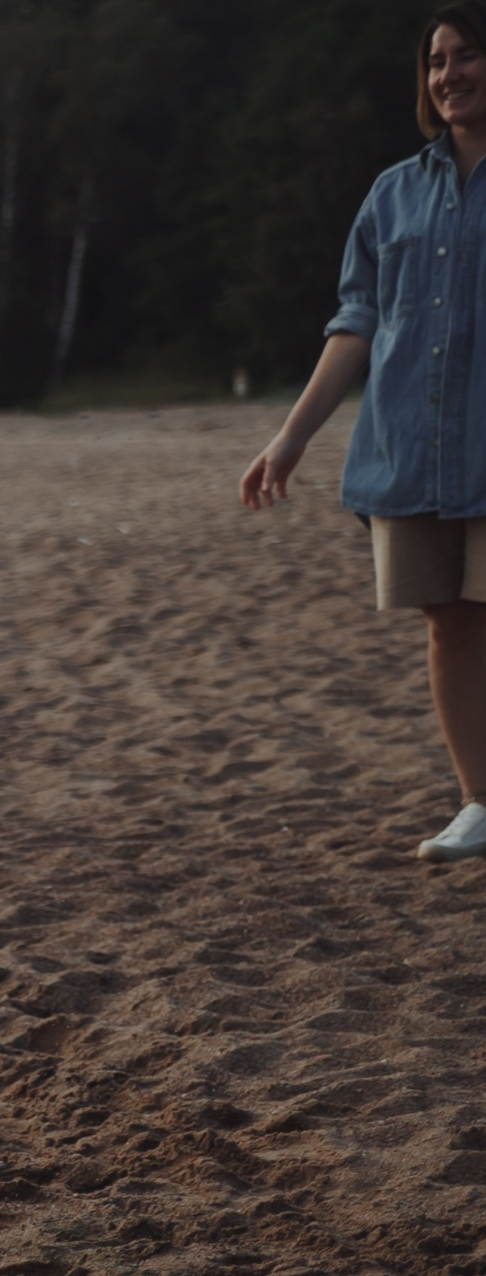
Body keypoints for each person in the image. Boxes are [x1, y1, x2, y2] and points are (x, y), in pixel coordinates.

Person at [243, 2, 486, 861]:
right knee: (449, 622)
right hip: (411, 449)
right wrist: (293, 435)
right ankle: (478, 802)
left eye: (465, 55)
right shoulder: (392, 193)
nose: (448, 74)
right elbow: (356, 323)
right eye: (435, 60)